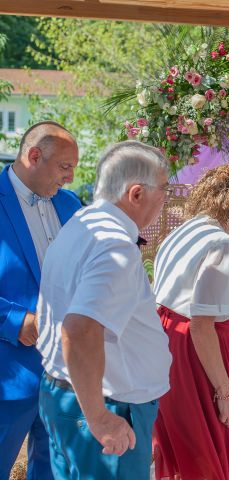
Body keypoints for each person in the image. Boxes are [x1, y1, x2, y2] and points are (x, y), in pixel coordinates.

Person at [36, 141, 172, 479]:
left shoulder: (82, 222)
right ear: (136, 194)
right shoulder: (114, 246)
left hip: (73, 395)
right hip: (105, 404)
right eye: (164, 189)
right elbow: (79, 329)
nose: (166, 199)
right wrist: (99, 418)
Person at [152, 163, 229, 480]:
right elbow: (201, 323)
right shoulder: (219, 244)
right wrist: (226, 393)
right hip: (200, 353)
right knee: (221, 445)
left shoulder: (179, 233)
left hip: (167, 346)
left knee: (187, 446)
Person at [0, 121, 80, 479]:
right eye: (65, 167)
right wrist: (15, 322)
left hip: (66, 372)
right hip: (9, 372)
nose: (70, 178)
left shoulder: (71, 205)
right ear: (34, 156)